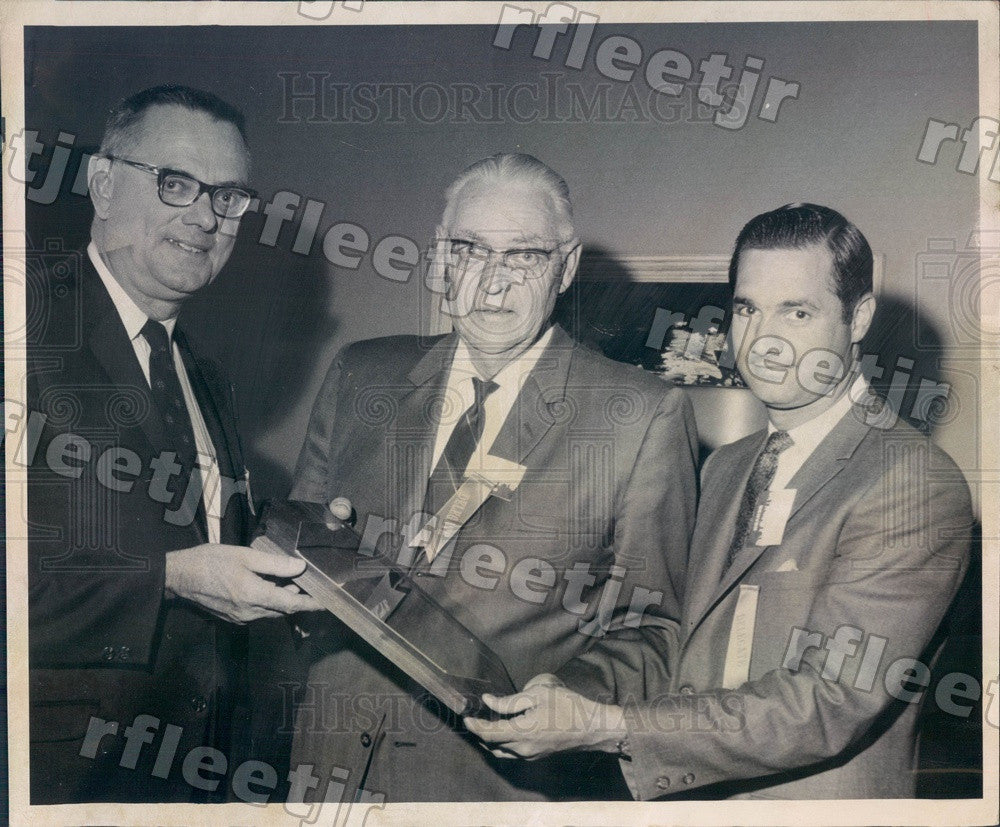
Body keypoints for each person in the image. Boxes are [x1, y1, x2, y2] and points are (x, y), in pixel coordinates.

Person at [466, 203, 974, 799]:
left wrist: (607, 726)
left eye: (798, 311)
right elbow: (669, 635)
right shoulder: (727, 468)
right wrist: (573, 690)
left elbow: (828, 701)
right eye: (747, 309)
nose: (764, 340)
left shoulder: (913, 482)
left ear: (858, 317)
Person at [282, 153, 699, 802]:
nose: (493, 282)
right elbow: (299, 545)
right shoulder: (359, 373)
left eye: (525, 255)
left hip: (494, 788)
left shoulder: (642, 414)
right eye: (470, 250)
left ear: (565, 268)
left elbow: (655, 630)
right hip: (328, 772)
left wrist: (574, 700)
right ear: (441, 261)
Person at [27, 84, 319, 804]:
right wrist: (169, 577)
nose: (206, 218)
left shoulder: (202, 373)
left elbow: (209, 549)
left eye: (229, 197)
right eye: (175, 183)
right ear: (101, 183)